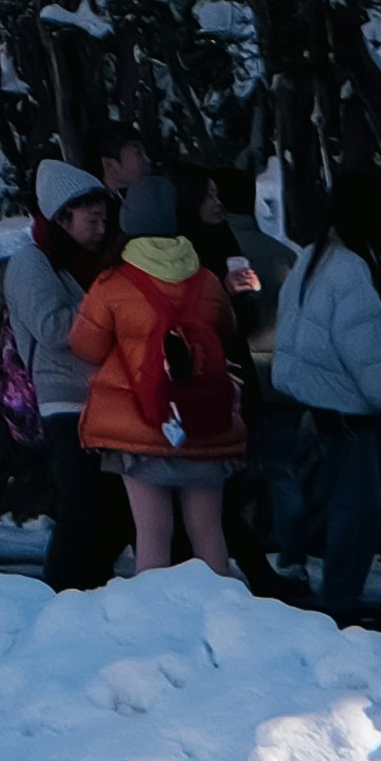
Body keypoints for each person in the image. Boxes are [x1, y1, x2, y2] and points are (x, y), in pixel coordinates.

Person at [264, 207, 381, 645]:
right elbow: (365, 346)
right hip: (349, 405)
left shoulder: (314, 258)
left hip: (332, 401)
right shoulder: (351, 267)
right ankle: (342, 599)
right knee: (361, 505)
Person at [82, 174, 245, 576]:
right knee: (208, 531)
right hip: (205, 420)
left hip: (143, 424)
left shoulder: (112, 283)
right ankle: (223, 610)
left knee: (153, 533)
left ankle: (152, 612)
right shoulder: (206, 279)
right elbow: (227, 329)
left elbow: (87, 346)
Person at [0, 170, 127, 591]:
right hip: (63, 400)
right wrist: (112, 315)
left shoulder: (101, 263)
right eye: (91, 220)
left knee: (113, 510)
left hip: (108, 400)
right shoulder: (32, 263)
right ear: (62, 217)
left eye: (104, 220)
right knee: (79, 507)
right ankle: (60, 594)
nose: (100, 229)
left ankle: (90, 590)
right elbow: (52, 327)